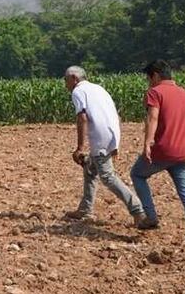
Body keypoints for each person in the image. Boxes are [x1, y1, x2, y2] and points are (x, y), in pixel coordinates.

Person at [62, 66, 146, 226]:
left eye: (66, 80)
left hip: (100, 139)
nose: (66, 84)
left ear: (74, 78)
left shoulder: (78, 91)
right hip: (111, 134)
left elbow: (82, 118)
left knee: (107, 177)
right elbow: (115, 114)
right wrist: (115, 142)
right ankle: (85, 209)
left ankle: (138, 211)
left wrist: (80, 147)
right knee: (89, 167)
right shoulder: (98, 88)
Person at [130, 60, 185, 244]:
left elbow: (152, 117)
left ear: (155, 75)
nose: (148, 82)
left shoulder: (155, 92)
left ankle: (151, 216)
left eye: (149, 78)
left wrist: (147, 142)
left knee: (137, 174)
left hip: (162, 150)